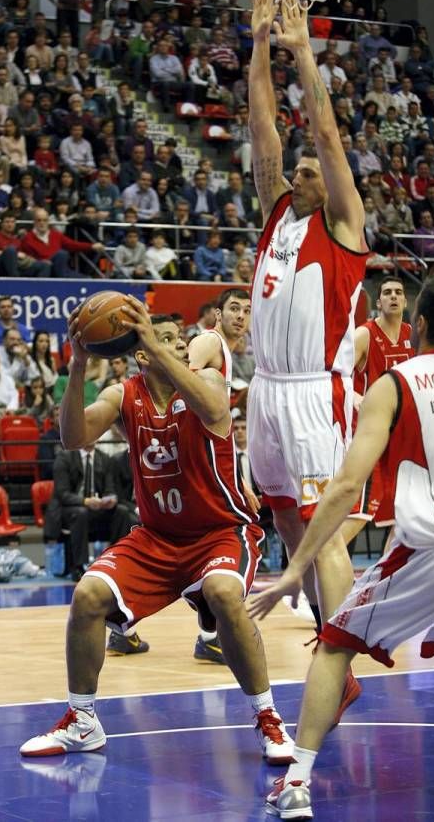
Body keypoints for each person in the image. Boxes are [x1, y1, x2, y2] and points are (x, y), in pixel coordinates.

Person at [249, 275, 434, 819]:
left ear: (419, 323)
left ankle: (298, 782)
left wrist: (295, 568)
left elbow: (346, 484)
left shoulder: (395, 384)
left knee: (334, 643)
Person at [20, 302, 293, 764]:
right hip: (157, 538)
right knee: (87, 596)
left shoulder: (206, 383)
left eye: (180, 342)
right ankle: (82, 720)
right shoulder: (124, 394)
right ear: (141, 354)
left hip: (218, 532)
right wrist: (79, 364)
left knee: (224, 593)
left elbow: (211, 408)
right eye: (165, 340)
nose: (178, 347)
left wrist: (157, 345)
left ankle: (268, 718)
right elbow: (73, 438)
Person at [247, 0, 368, 706]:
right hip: (265, 390)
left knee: (321, 533)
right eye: (297, 167)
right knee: (289, 520)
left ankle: (341, 656)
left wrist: (303, 54)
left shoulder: (344, 226)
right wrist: (260, 43)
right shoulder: (275, 215)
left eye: (313, 168)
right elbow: (264, 127)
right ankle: (330, 631)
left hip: (314, 393)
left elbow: (323, 131)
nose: (302, 166)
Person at [187, 287, 253, 663]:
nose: (241, 316)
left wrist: (237, 479)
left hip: (209, 463)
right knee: (226, 538)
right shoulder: (209, 341)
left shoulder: (227, 354)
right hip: (190, 461)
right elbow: (176, 377)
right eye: (233, 308)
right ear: (217, 313)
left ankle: (208, 633)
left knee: (209, 544)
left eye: (246, 310)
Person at [342, 277, 415, 548]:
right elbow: (335, 374)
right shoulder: (364, 334)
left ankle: (388, 580)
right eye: (387, 292)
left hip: (401, 437)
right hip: (367, 434)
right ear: (378, 301)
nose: (393, 296)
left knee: (401, 517)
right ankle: (322, 557)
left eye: (398, 292)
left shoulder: (412, 335)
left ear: (406, 302)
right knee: (361, 512)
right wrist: (356, 396)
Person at [44, 442, 136, 583]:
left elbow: (110, 489)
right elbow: (63, 494)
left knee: (122, 512)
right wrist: (86, 501)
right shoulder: (64, 457)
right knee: (81, 513)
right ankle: (79, 567)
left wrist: (110, 499)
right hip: (68, 509)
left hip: (97, 508)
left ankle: (117, 561)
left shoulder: (104, 458)